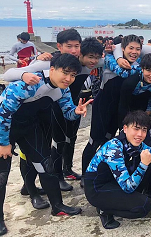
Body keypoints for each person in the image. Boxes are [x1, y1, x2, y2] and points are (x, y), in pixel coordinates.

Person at [0, 53, 92, 235]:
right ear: (51, 70)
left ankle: (57, 206)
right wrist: (3, 143)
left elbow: (68, 112)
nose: (69, 78)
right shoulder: (27, 84)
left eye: (73, 75)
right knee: (2, 175)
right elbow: (3, 114)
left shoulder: (62, 89)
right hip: (4, 129)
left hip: (28, 127)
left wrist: (77, 111)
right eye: (65, 73)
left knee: (46, 166)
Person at [3, 33, 104, 195]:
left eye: (77, 46)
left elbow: (108, 60)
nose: (73, 50)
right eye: (68, 46)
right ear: (59, 47)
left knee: (60, 145)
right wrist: (24, 74)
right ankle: (31, 187)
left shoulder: (84, 64)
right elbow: (8, 76)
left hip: (61, 108)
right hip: (38, 114)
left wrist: (117, 55)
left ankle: (63, 173)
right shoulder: (47, 63)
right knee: (37, 152)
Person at [84, 110, 151, 229]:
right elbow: (127, 187)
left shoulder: (135, 144)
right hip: (97, 189)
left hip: (115, 182)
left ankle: (127, 199)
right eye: (136, 129)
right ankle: (104, 209)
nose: (140, 134)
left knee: (149, 159)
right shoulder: (114, 148)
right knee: (142, 207)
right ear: (125, 128)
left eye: (144, 130)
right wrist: (143, 164)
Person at [82, 35, 143, 180]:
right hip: (102, 106)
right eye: (131, 48)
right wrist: (116, 55)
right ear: (123, 49)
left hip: (119, 109)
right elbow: (124, 72)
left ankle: (102, 172)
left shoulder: (138, 62)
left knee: (109, 141)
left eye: (138, 49)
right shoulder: (110, 59)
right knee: (94, 141)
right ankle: (85, 175)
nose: (134, 52)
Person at [117, 53, 151, 127]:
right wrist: (123, 127)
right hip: (131, 106)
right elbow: (123, 107)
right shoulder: (130, 83)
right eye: (148, 70)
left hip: (150, 107)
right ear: (142, 69)